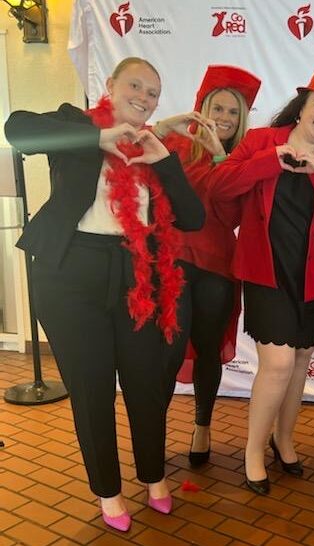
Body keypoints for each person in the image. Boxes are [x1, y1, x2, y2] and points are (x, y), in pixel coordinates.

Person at [4, 57, 205, 531]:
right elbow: (17, 129)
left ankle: (154, 476)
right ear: (111, 86)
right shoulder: (77, 126)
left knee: (146, 382)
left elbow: (193, 219)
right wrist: (99, 139)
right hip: (70, 272)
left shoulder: (152, 147)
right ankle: (108, 492)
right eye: (134, 85)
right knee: (91, 390)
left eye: (153, 92)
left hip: (135, 275)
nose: (143, 96)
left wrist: (165, 163)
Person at [209, 68, 314, 495]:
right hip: (265, 272)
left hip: (310, 278)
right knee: (275, 364)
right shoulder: (260, 141)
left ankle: (284, 439)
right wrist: (269, 161)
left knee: (297, 364)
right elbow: (221, 186)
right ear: (301, 106)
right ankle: (253, 451)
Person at [151, 65, 261, 466]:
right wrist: (162, 127)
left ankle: (203, 426)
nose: (225, 118)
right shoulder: (175, 144)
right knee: (170, 347)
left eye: (234, 112)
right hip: (176, 258)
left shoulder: (239, 157)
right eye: (218, 108)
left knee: (210, 348)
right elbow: (137, 165)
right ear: (202, 107)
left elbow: (235, 213)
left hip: (218, 263)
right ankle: (154, 431)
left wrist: (220, 156)